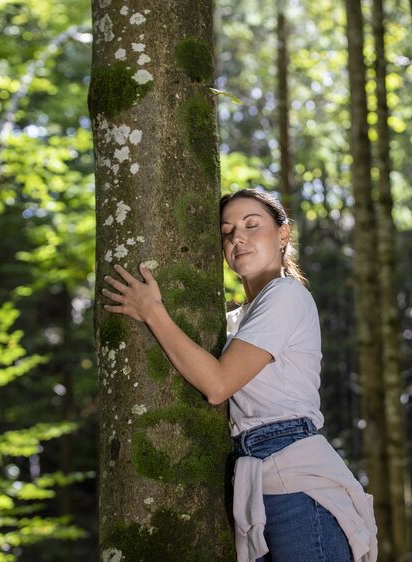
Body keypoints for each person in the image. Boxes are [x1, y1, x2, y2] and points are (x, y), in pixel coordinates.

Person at [102, 188, 377, 562]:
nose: (237, 238)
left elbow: (217, 385)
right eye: (227, 231)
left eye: (252, 225)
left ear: (283, 234)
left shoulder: (285, 295)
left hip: (295, 475)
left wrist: (154, 313)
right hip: (251, 478)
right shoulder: (235, 319)